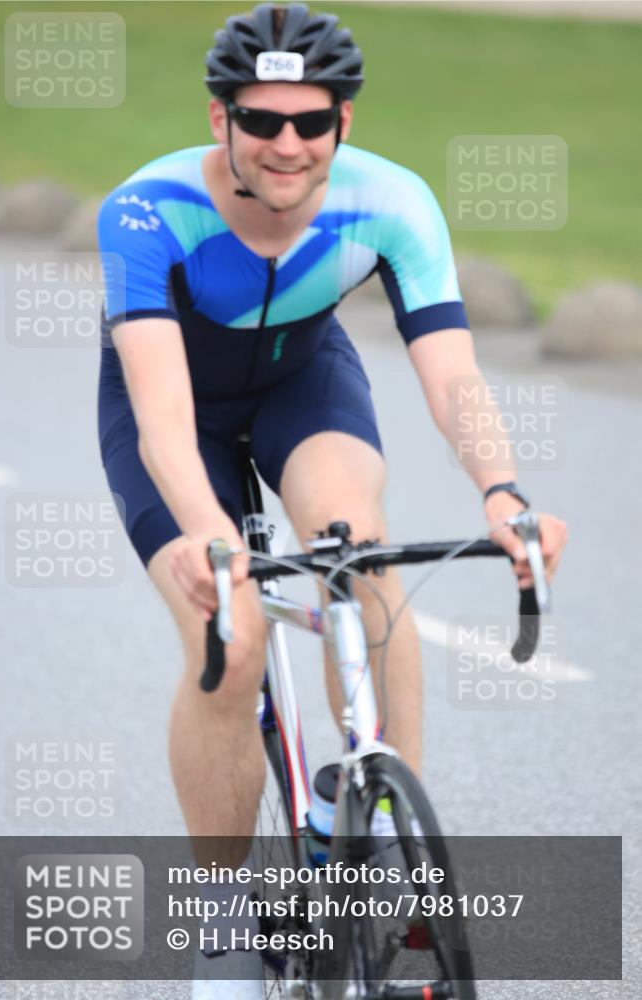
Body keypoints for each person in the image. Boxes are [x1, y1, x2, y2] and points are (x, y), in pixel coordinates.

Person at [97, 3, 568, 996]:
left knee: (362, 551)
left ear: (341, 124)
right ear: (218, 118)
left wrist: (502, 492)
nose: (285, 144)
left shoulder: (390, 201)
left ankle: (371, 833)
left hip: (302, 386)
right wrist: (215, 544)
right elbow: (161, 420)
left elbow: (452, 381)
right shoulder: (147, 209)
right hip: (174, 413)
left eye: (309, 121)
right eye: (259, 120)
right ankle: (222, 924)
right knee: (224, 641)